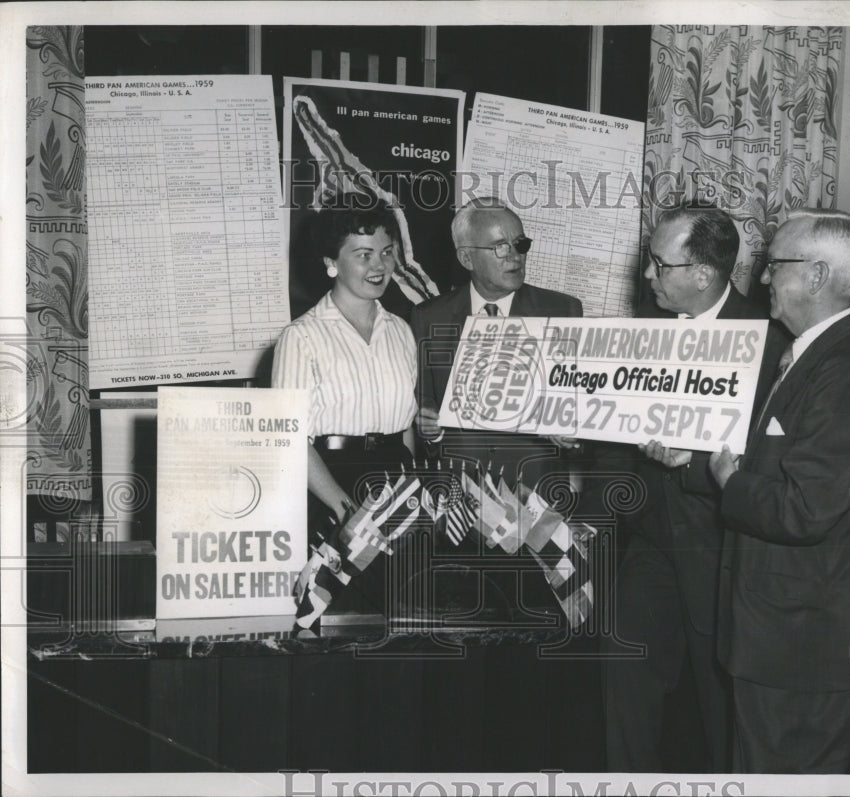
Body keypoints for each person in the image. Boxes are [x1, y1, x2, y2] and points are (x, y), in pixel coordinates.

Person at [708, 208, 850, 773]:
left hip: (804, 649)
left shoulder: (848, 374)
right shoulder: (812, 359)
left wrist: (730, 480)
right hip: (779, 642)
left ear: (815, 277)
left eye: (774, 266)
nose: (763, 279)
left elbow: (802, 510)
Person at [603, 206, 790, 772]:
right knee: (622, 684)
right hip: (652, 544)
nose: (647, 276)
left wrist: (699, 458)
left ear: (704, 274)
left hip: (723, 551)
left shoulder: (772, 342)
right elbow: (617, 431)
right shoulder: (642, 330)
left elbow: (777, 459)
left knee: (721, 710)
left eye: (659, 264)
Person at [272, 201, 417, 606]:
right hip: (330, 486)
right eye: (363, 254)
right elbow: (290, 440)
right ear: (331, 263)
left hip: (395, 482)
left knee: (396, 610)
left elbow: (405, 428)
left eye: (387, 252)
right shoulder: (301, 337)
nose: (380, 265)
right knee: (335, 612)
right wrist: (343, 507)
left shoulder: (401, 331)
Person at [409, 196, 583, 489]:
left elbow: (583, 404)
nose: (515, 256)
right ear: (466, 258)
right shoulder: (428, 317)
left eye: (520, 244)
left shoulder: (563, 311)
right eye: (500, 247)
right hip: (457, 495)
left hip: (537, 492)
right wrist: (430, 430)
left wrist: (571, 431)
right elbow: (425, 401)